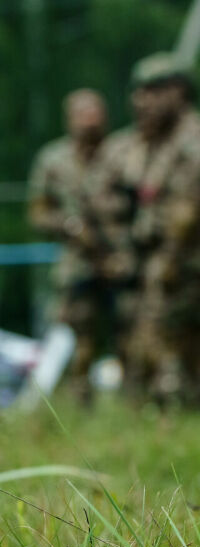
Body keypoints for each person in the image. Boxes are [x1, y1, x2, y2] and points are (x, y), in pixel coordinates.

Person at [100, 54, 200, 404]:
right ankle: (160, 407)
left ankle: (179, 407)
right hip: (150, 257)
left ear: (179, 91)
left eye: (153, 90)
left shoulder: (194, 137)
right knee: (146, 336)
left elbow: (189, 208)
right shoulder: (141, 142)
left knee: (178, 340)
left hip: (191, 259)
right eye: (140, 91)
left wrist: (165, 260)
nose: (142, 100)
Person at [27, 89, 110, 404]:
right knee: (75, 334)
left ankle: (138, 399)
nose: (89, 121)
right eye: (82, 114)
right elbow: (38, 212)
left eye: (95, 113)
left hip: (122, 257)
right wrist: (68, 226)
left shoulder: (119, 152)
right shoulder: (53, 159)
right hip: (78, 262)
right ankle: (78, 401)